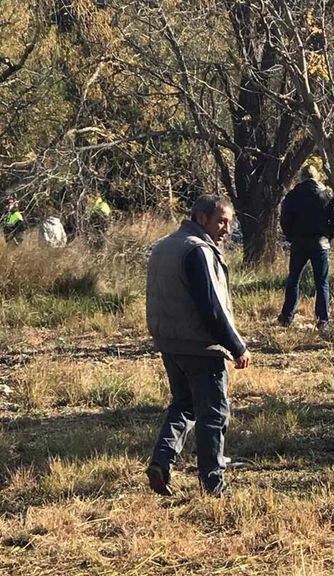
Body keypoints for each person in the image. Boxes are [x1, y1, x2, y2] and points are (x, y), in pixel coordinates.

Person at [145, 195, 250, 497]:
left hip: (170, 343)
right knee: (214, 415)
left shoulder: (164, 245)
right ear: (201, 218)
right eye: (221, 221)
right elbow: (212, 308)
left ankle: (162, 460)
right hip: (201, 347)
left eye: (229, 222)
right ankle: (213, 483)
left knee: (184, 404)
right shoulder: (197, 250)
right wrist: (237, 346)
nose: (227, 230)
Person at [277, 165, 334, 330]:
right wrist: (329, 235)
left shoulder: (292, 196)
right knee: (322, 282)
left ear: (301, 177)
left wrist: (291, 235)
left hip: (299, 242)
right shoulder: (327, 194)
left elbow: (284, 219)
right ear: (317, 176)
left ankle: (287, 316)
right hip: (320, 243)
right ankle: (322, 320)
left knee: (293, 280)